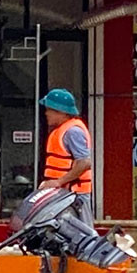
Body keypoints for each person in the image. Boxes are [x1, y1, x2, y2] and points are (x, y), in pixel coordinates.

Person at [38, 88, 94, 224]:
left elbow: (84, 162)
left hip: (74, 196)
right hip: (65, 195)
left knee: (80, 233)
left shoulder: (73, 131)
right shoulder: (64, 130)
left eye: (49, 110)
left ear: (61, 112)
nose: (46, 113)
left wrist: (58, 182)